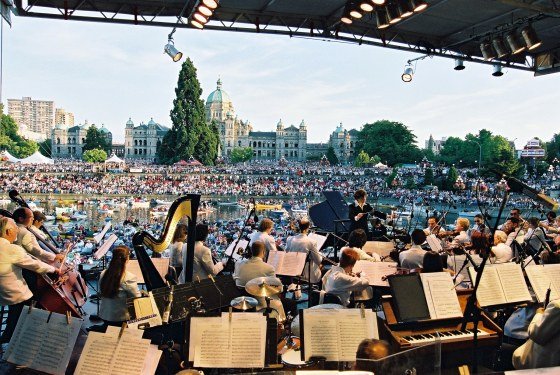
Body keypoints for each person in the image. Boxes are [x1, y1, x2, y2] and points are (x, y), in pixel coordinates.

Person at [0, 217, 58, 344]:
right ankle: (20, 337)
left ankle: (11, 327)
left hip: (2, 292)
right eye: (15, 229)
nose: (17, 231)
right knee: (35, 300)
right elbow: (35, 265)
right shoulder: (12, 249)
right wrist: (54, 270)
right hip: (12, 295)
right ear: (8, 232)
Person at [98, 245, 141, 326]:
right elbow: (136, 298)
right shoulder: (129, 277)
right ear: (127, 259)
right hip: (121, 319)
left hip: (105, 316)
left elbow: (101, 292)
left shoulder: (103, 273)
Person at [512, 300, 560, 369]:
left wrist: (539, 314)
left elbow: (536, 335)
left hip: (543, 364)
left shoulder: (557, 306)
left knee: (500, 353)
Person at [285, 218, 322, 284]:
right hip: (306, 276)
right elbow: (318, 261)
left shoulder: (289, 239)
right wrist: (320, 253)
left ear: (298, 226)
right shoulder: (311, 242)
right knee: (322, 268)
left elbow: (286, 255)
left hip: (292, 273)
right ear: (308, 227)